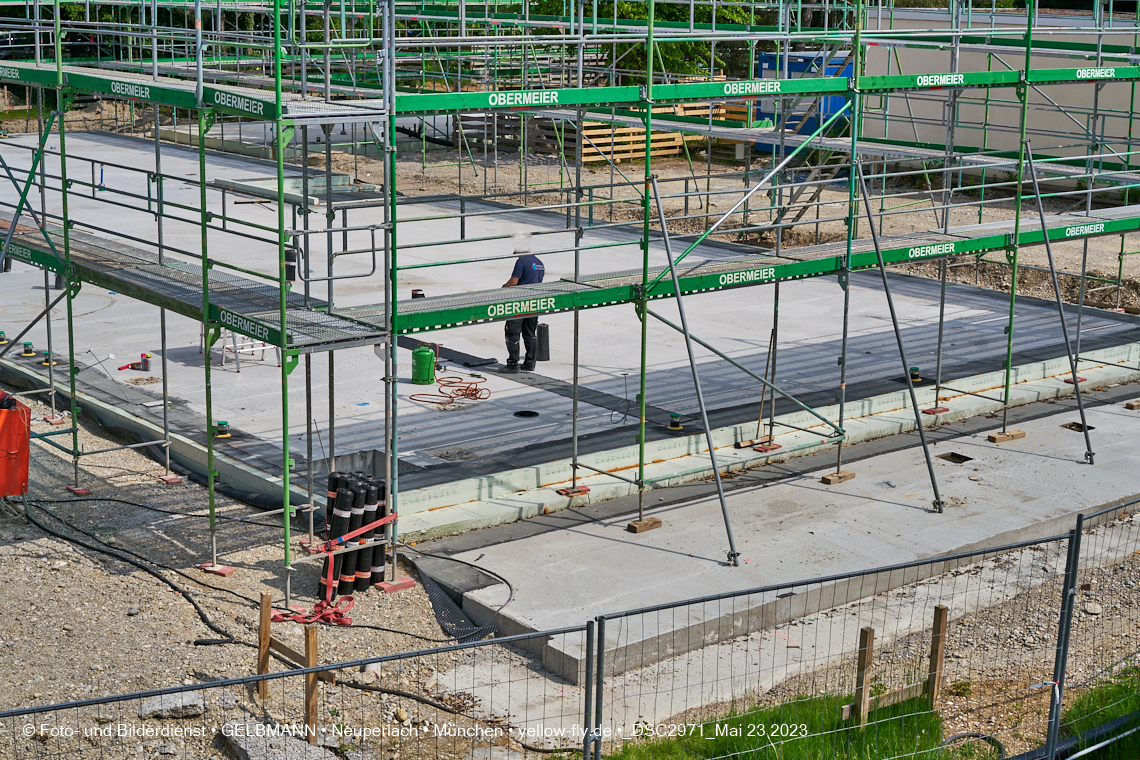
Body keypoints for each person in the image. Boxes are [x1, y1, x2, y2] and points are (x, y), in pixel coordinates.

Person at [502, 247, 545, 372]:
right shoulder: (539, 263)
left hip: (520, 301)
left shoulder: (522, 261)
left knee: (512, 332)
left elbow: (514, 281)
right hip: (534, 301)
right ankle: (530, 363)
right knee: (530, 333)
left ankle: (513, 364)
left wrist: (504, 288)